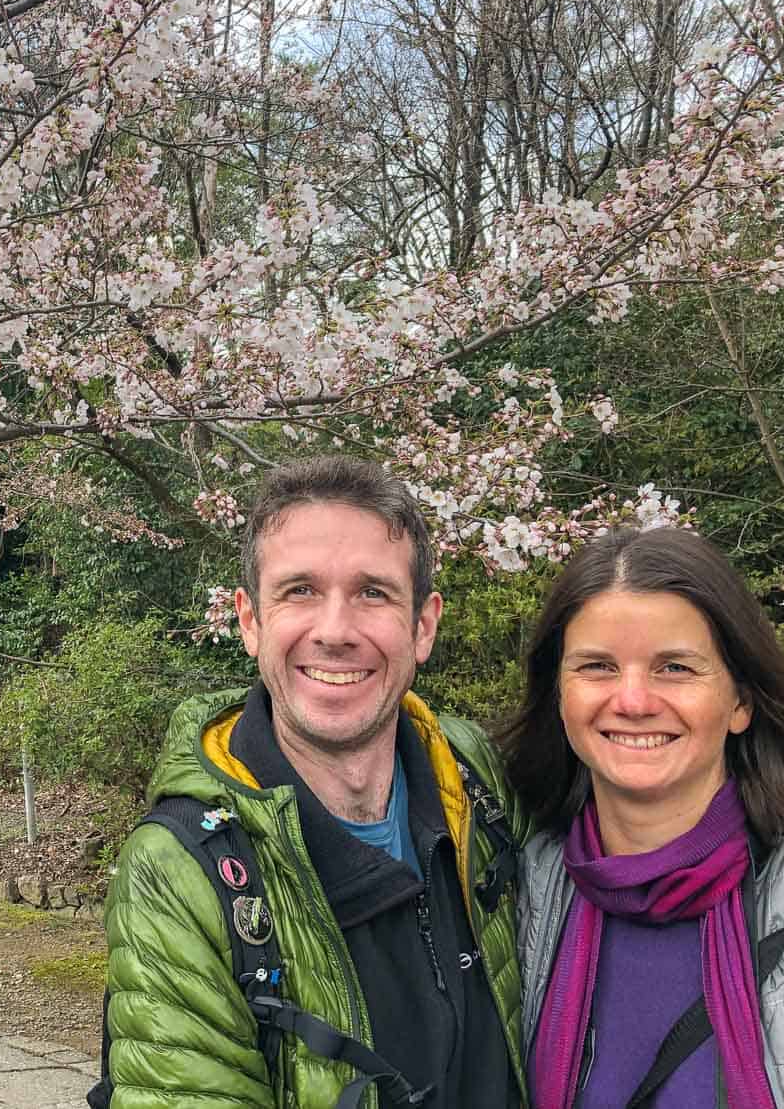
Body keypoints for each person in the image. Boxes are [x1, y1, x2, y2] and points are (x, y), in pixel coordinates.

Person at [102, 455, 527, 1108]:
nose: (334, 631)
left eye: (373, 592)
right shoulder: (180, 871)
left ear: (423, 626)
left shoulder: (470, 775)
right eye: (299, 590)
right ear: (250, 620)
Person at [502, 527, 784, 1107]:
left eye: (674, 668)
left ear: (740, 702)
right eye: (597, 666)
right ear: (558, 695)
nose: (633, 701)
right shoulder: (508, 895)